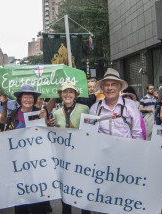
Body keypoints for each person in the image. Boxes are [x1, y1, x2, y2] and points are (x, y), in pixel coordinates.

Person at [4, 84, 49, 214]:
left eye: (31, 97)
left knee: (38, 199)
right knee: (21, 199)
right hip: (19, 163)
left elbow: (48, 135)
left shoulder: (40, 114)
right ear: (20, 99)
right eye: (25, 97)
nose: (28, 100)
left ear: (35, 99)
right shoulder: (12, 115)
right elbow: (6, 137)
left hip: (37, 162)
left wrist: (45, 120)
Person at [53, 81, 90, 214]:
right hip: (64, 158)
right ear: (61, 94)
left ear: (75, 95)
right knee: (65, 192)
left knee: (82, 189)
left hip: (81, 156)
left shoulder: (84, 108)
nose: (68, 94)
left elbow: (89, 131)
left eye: (71, 92)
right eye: (65, 92)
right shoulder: (57, 113)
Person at [90, 68, 142, 139]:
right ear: (102, 88)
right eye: (106, 85)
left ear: (119, 87)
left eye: (113, 84)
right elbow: (90, 132)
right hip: (102, 149)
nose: (110, 88)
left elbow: (137, 133)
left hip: (126, 148)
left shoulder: (130, 105)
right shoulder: (95, 108)